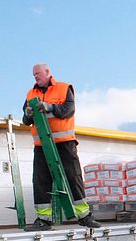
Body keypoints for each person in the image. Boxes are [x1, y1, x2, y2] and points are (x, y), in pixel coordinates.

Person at [22, 63, 101, 230]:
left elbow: (68, 110)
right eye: (33, 75)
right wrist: (27, 114)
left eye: (38, 74)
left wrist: (49, 107)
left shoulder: (64, 88)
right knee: (40, 180)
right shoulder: (31, 93)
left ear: (47, 72)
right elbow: (25, 120)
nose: (36, 77)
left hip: (64, 142)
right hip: (42, 144)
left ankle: (84, 216)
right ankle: (43, 220)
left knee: (73, 177)